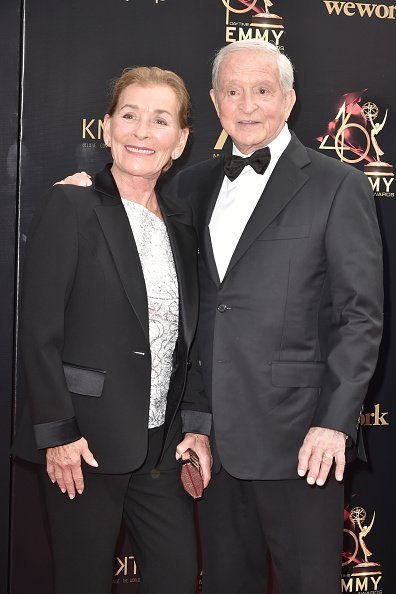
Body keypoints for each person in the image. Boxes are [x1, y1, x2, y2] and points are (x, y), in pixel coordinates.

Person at [59, 40, 383, 594]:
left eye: (262, 90)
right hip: (212, 449)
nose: (248, 104)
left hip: (302, 440)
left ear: (289, 98)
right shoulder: (192, 184)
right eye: (233, 91)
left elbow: (360, 317)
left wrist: (334, 424)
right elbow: (186, 300)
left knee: (310, 583)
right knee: (229, 581)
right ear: (214, 101)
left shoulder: (339, 185)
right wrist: (89, 192)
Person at [12, 66, 211, 594]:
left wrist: (193, 423)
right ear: (105, 127)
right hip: (85, 444)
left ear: (181, 140)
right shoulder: (71, 204)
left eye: (160, 120)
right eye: (129, 116)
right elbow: (38, 330)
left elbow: (187, 341)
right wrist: (58, 435)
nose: (142, 132)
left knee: (174, 575)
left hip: (160, 450)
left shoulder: (184, 225)